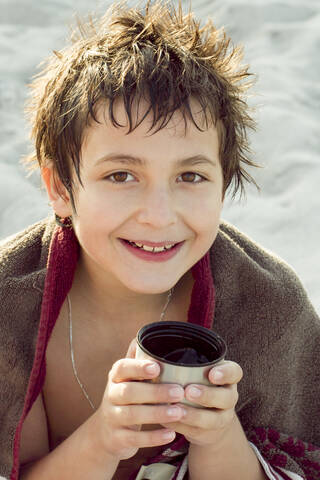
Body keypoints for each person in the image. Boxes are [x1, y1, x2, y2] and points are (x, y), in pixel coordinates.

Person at [0, 1, 319, 479]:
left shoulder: (269, 306)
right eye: (122, 174)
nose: (158, 215)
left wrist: (218, 435)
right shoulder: (11, 306)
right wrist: (104, 437)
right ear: (61, 189)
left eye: (190, 176)